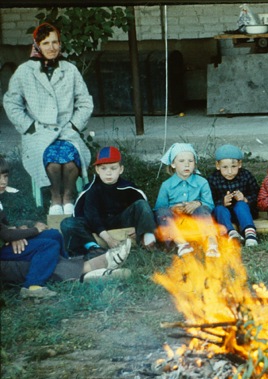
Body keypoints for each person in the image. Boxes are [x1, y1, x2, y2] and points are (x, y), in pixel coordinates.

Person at [0, 155, 131, 299]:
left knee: (54, 234)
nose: (3, 181)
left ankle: (70, 262)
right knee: (48, 245)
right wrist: (32, 231)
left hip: (7, 243)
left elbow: (5, 226)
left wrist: (17, 230)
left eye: (5, 176)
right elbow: (5, 234)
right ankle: (33, 286)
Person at [3, 23, 94, 215]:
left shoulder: (69, 70)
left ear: (60, 44)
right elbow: (11, 102)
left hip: (66, 131)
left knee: (70, 160)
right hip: (39, 132)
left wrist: (74, 125)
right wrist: (29, 126)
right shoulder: (25, 71)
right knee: (51, 161)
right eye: (46, 43)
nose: (51, 47)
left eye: (55, 42)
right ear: (37, 45)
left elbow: (85, 102)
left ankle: (68, 197)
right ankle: (55, 198)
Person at [60, 146, 157, 257]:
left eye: (113, 168)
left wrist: (139, 227)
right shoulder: (91, 189)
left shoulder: (129, 188)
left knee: (142, 204)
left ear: (121, 169)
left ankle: (148, 242)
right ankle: (94, 248)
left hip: (119, 221)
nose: (108, 173)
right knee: (67, 223)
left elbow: (143, 211)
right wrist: (108, 239)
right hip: (95, 226)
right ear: (97, 170)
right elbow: (92, 217)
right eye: (104, 168)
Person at [155, 143, 219, 258]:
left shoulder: (202, 182)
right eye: (181, 161)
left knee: (202, 209)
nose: (187, 164)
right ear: (173, 164)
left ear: (195, 163)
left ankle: (211, 243)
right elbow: (159, 209)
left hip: (196, 223)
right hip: (176, 224)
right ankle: (181, 244)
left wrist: (198, 203)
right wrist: (173, 209)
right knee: (162, 212)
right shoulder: (166, 185)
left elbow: (210, 204)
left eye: (190, 161)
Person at [207, 144, 260, 247]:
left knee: (241, 205)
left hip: (245, 213)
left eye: (233, 166)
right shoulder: (213, 179)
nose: (230, 171)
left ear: (239, 164)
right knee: (219, 209)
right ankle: (231, 233)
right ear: (218, 165)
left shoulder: (246, 175)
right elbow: (209, 200)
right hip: (224, 215)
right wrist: (222, 202)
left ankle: (250, 233)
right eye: (225, 167)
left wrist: (245, 199)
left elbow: (257, 194)